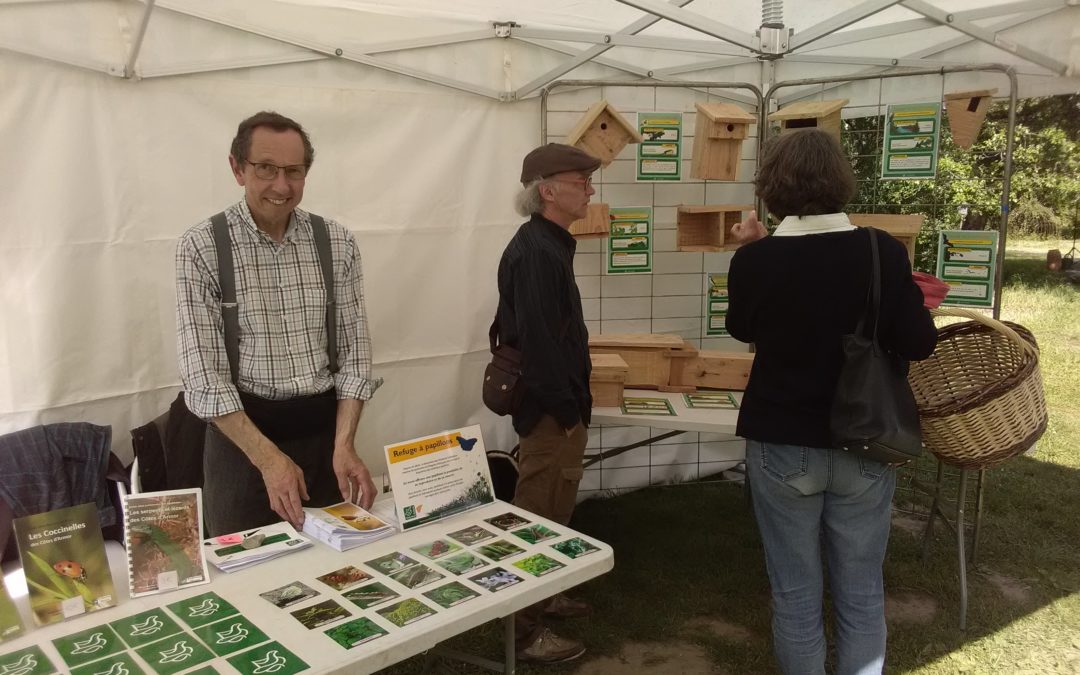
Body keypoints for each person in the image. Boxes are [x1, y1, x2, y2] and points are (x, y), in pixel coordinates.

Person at [725, 129, 936, 675]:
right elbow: (920, 342)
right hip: (864, 437)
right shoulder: (881, 250)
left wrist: (752, 250)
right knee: (862, 589)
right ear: (841, 180)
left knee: (795, 593)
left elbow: (739, 327)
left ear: (772, 188)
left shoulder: (755, 261)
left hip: (782, 441)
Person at [176, 111, 381, 537]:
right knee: (249, 576)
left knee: (334, 578)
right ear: (237, 168)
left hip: (322, 440)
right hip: (242, 444)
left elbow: (355, 356)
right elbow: (204, 378)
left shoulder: (337, 242)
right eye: (266, 169)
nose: (282, 186)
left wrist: (344, 445)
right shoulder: (201, 247)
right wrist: (269, 461)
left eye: (294, 171)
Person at [495, 143, 599, 664]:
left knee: (555, 513)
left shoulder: (548, 243)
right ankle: (522, 633)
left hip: (555, 408)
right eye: (581, 182)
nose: (590, 190)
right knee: (537, 518)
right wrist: (566, 411)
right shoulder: (537, 251)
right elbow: (538, 344)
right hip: (548, 414)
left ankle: (546, 592)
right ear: (548, 190)